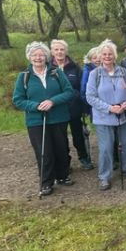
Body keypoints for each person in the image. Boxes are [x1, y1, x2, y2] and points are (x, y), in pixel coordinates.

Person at [13, 42, 75, 196]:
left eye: (41, 54)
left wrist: (53, 101)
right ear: (29, 57)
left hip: (58, 117)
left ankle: (62, 176)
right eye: (34, 55)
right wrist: (35, 106)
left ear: (46, 56)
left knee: (61, 148)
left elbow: (69, 92)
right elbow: (18, 100)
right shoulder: (24, 77)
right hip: (36, 121)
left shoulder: (56, 73)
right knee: (44, 151)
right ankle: (46, 182)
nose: (38, 58)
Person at [86, 40, 126, 191]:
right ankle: (104, 177)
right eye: (104, 54)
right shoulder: (94, 74)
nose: (107, 57)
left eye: (110, 54)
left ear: (115, 56)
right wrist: (109, 108)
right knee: (106, 148)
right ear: (100, 56)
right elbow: (90, 97)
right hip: (104, 117)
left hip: (124, 114)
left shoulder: (123, 71)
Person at [50, 39, 93, 170]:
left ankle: (83, 158)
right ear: (52, 52)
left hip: (74, 108)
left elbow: (82, 88)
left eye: (62, 49)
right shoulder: (48, 68)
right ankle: (65, 163)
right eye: (56, 49)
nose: (59, 52)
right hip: (57, 109)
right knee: (60, 139)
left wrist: (84, 107)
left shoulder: (74, 67)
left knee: (78, 135)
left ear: (66, 51)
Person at [80, 46, 101, 122]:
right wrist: (90, 104)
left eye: (99, 57)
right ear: (90, 60)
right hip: (94, 105)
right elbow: (83, 89)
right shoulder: (87, 71)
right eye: (94, 58)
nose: (98, 60)